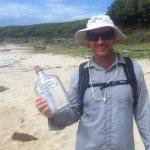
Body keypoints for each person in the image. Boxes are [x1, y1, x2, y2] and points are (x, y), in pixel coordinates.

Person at [35, 15, 150, 150]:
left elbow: (144, 113)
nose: (100, 41)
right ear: (89, 41)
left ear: (114, 38)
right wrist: (52, 113)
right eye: (94, 36)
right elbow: (73, 113)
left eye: (106, 35)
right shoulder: (80, 73)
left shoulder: (132, 69)